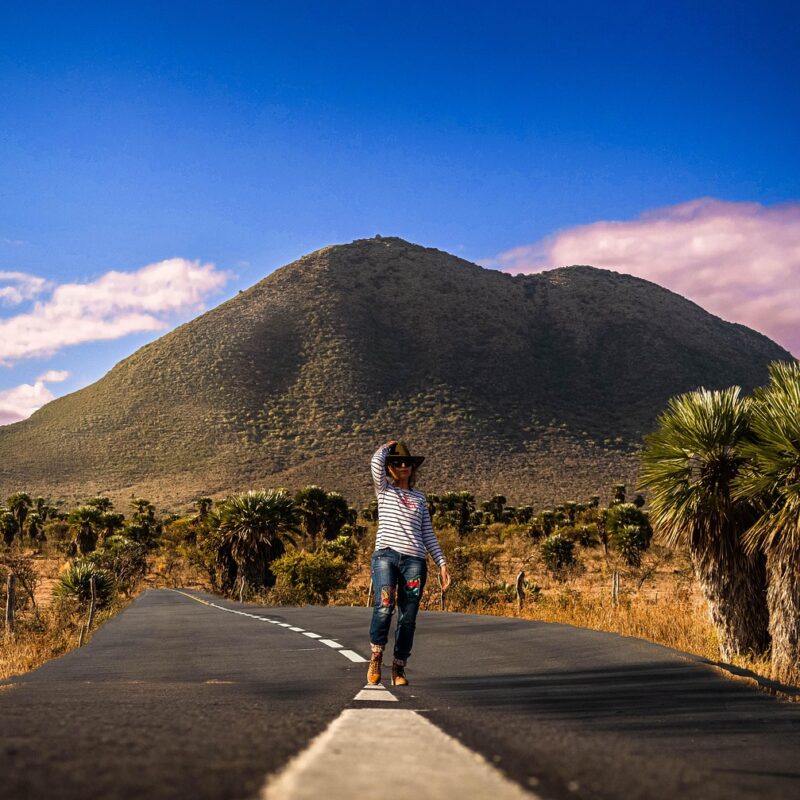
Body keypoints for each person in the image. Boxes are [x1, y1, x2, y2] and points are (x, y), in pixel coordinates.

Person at [367, 440, 451, 686]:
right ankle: (376, 656)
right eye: (397, 463)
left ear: (413, 468)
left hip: (414, 559)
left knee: (408, 616)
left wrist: (442, 563)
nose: (403, 466)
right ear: (390, 468)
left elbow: (428, 534)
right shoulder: (384, 490)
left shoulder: (420, 499)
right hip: (386, 555)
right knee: (384, 605)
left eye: (407, 463)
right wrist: (387, 447)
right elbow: (374, 464)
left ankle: (398, 667)